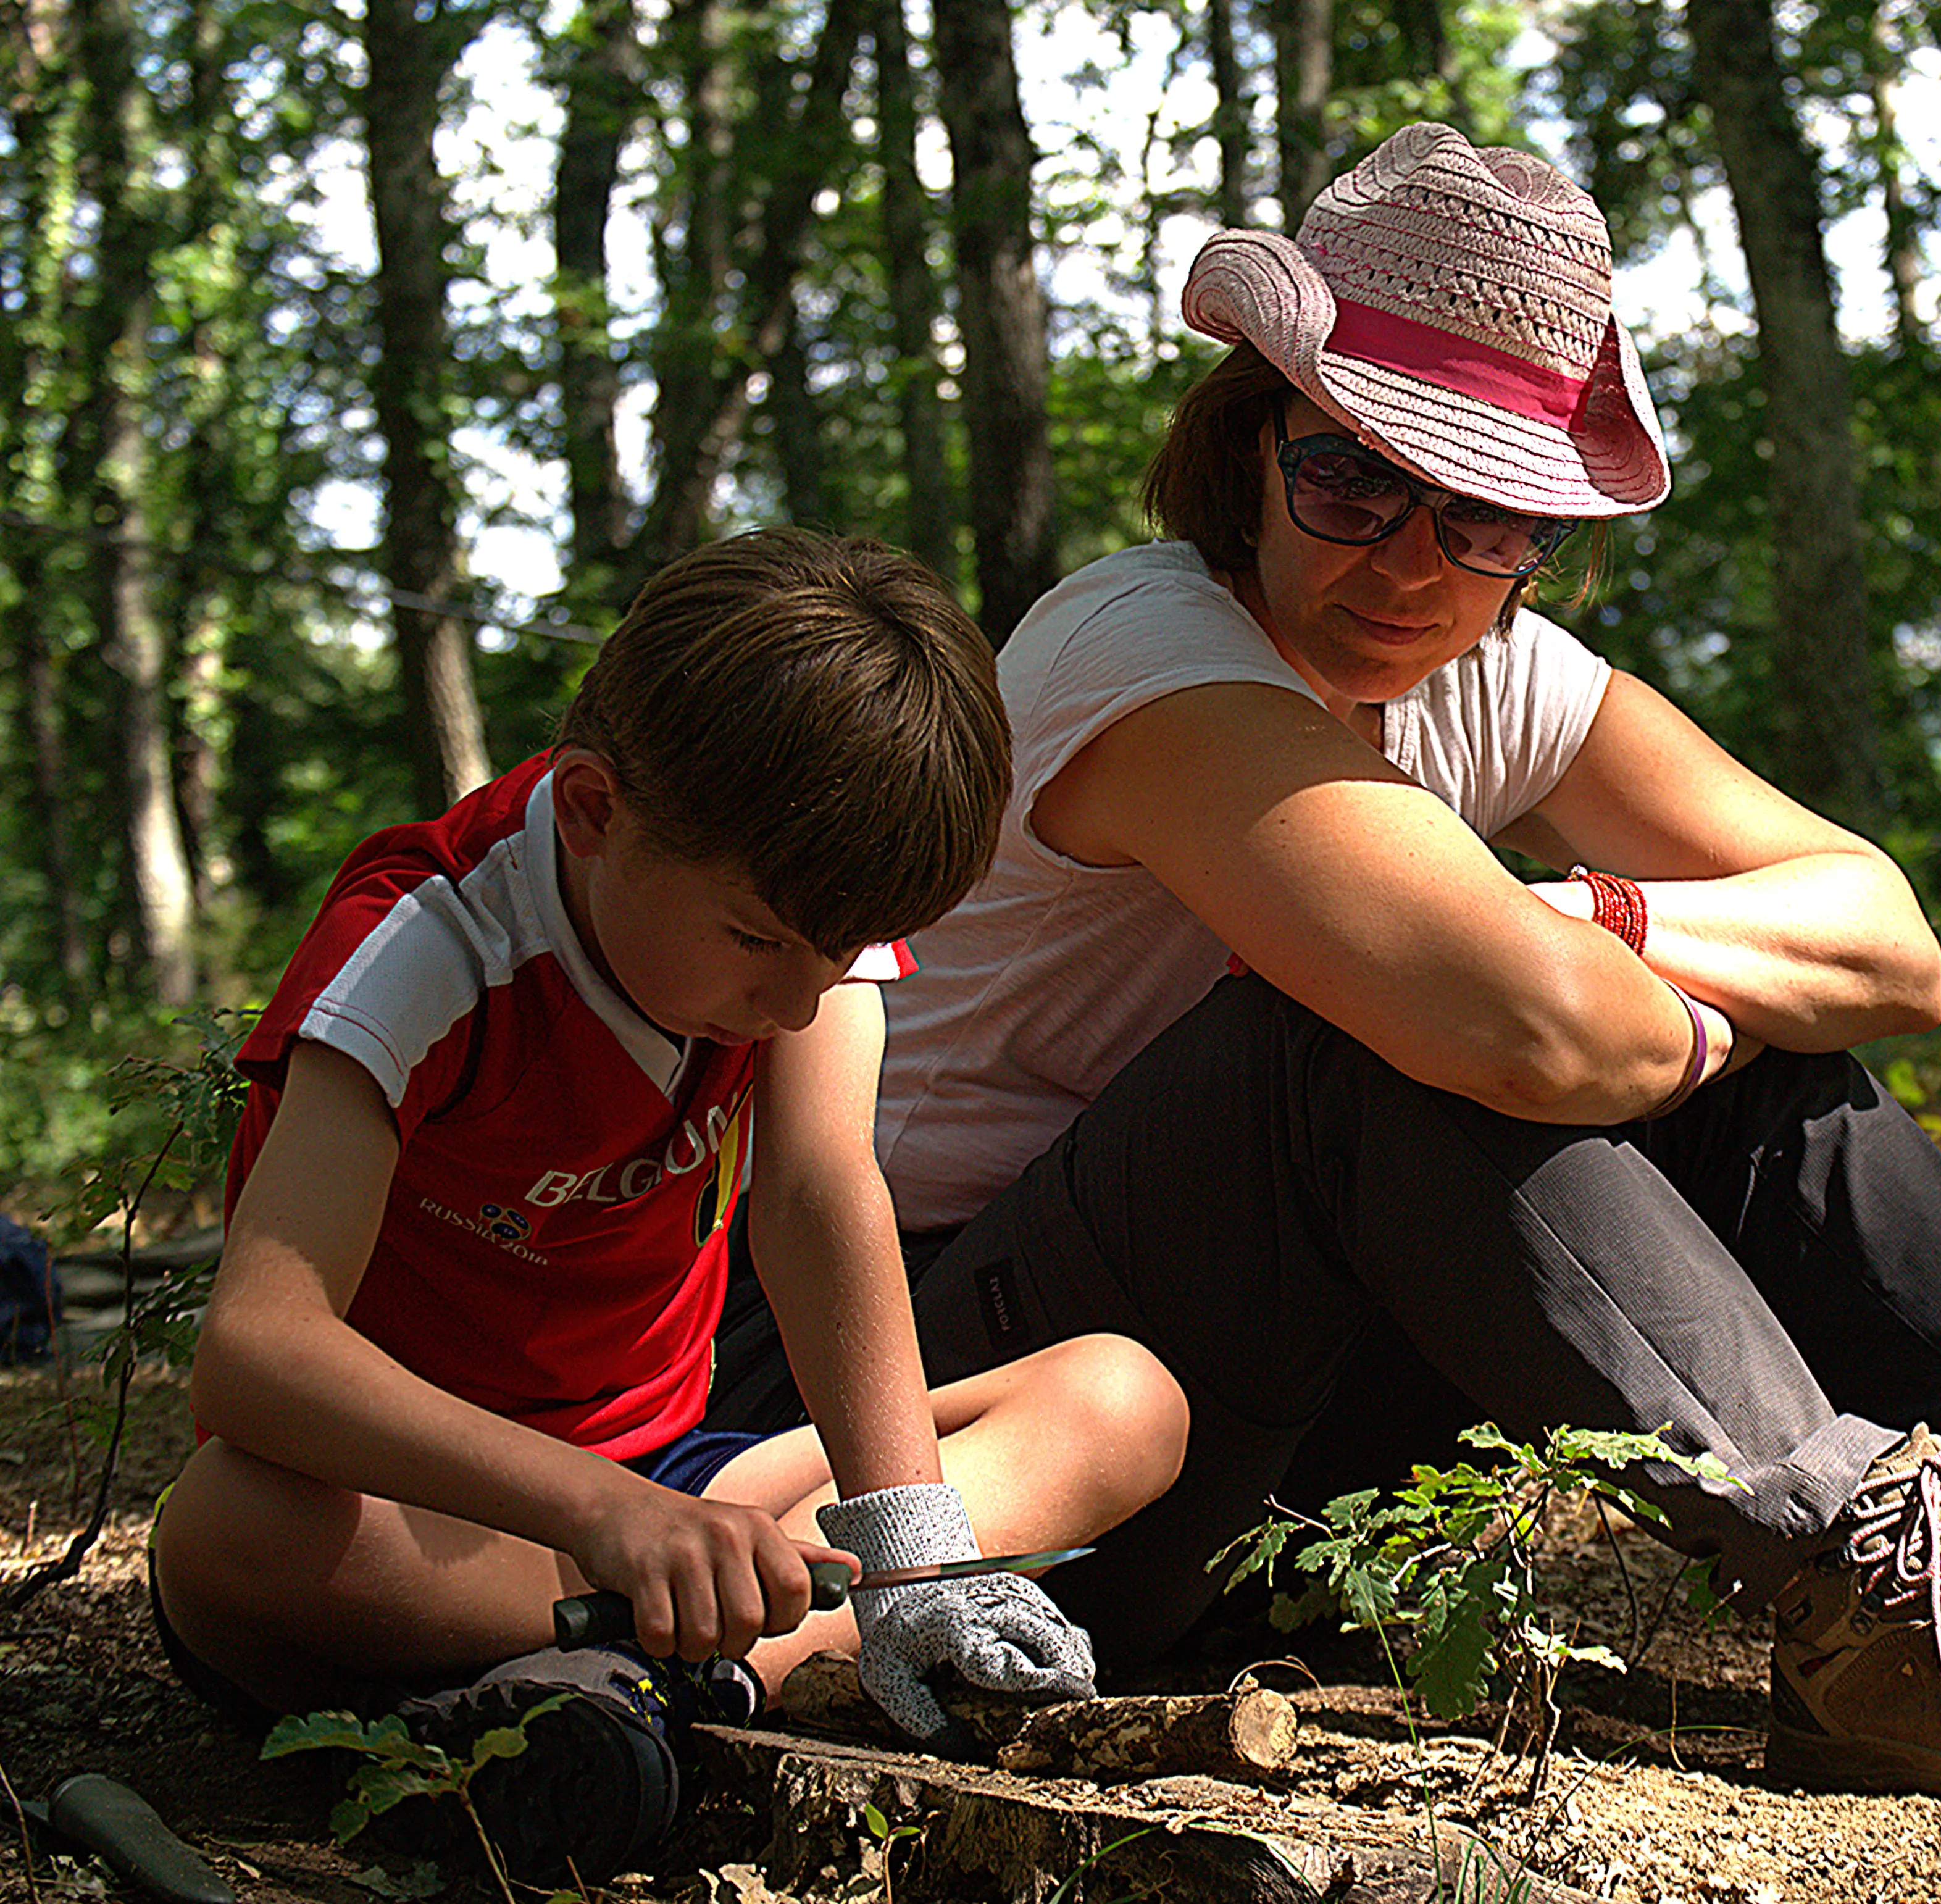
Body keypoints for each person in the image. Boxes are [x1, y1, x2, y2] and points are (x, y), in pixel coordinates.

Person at [705, 125, 1941, 1814]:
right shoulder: (1143, 651)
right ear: (1248, 443)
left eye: (1487, 515)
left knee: (1767, 1070)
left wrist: (1617, 921)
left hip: (1275, 1397)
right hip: (951, 1398)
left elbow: (1888, 938)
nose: (1414, 563)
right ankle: (1857, 1581)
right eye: (1351, 476)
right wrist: (1585, 970)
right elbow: (1509, 1026)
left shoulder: (1500, 677)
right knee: (1353, 1041)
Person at [149, 529, 1188, 1884]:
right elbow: (260, 1351)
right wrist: (601, 1517)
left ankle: (619, 1694)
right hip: (426, 1525)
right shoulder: (427, 950)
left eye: (840, 958)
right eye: (761, 944)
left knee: (1123, 1400)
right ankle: (695, 1671)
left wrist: (913, 1553)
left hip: (679, 1498)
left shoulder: (795, 910)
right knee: (228, 1530)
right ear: (592, 809)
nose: (799, 1004)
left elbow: (817, 1198)